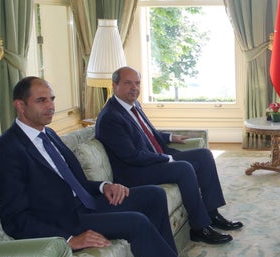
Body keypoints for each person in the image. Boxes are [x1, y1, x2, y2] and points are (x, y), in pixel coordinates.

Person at [0, 77, 231, 257]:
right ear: (20, 105)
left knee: (153, 195)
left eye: (51, 99)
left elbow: (75, 182)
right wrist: (68, 239)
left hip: (87, 202)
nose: (50, 106)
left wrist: (104, 186)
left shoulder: (48, 135)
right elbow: (15, 219)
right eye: (41, 101)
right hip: (66, 220)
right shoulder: (6, 151)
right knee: (136, 221)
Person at [95, 66, 242, 246]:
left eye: (137, 83)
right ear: (114, 86)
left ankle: (212, 214)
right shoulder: (111, 117)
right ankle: (199, 228)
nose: (134, 88)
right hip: (135, 171)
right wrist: (166, 158)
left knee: (204, 155)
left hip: (153, 157)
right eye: (128, 83)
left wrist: (170, 137)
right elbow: (131, 156)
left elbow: (145, 131)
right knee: (184, 168)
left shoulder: (133, 105)